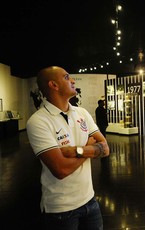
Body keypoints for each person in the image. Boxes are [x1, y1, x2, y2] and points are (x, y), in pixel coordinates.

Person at [26, 66, 109, 230]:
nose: (72, 81)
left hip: (90, 200)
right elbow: (61, 170)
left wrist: (77, 151)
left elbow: (105, 148)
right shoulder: (38, 122)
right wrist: (88, 148)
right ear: (53, 85)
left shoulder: (82, 113)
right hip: (60, 209)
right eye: (66, 77)